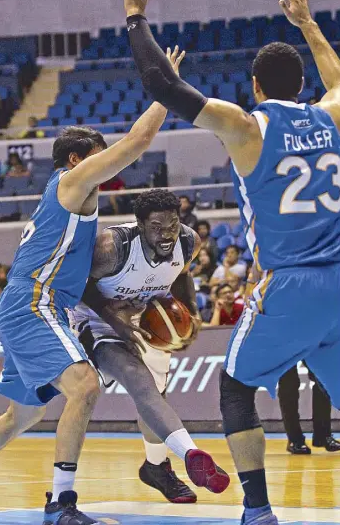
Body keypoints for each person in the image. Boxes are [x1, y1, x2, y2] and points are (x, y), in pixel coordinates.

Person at [123, 0, 340, 524]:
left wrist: (135, 17)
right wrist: (309, 24)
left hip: (290, 283)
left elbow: (162, 84)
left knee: (236, 386)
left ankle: (258, 510)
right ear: (303, 86)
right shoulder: (331, 116)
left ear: (255, 86)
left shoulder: (247, 126)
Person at [0, 46, 186, 525]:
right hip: (35, 304)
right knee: (83, 385)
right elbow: (139, 140)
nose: (109, 166)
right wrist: (166, 90)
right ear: (79, 159)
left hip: (35, 305)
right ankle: (62, 506)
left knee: (21, 417)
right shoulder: (71, 181)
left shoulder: (71, 199)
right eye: (101, 157)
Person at [70, 189, 230, 503]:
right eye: (157, 227)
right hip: (96, 318)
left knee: (156, 397)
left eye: (172, 224)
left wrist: (191, 317)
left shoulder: (188, 241)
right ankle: (191, 453)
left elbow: (182, 275)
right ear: (140, 224)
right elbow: (76, 285)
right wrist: (115, 321)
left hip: (145, 318)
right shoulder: (111, 248)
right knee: (138, 380)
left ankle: (156, 467)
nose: (166, 233)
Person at [278, 364, 340, 454]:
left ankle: (322, 435)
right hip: (284, 350)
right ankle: (295, 439)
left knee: (322, 377)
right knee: (288, 382)